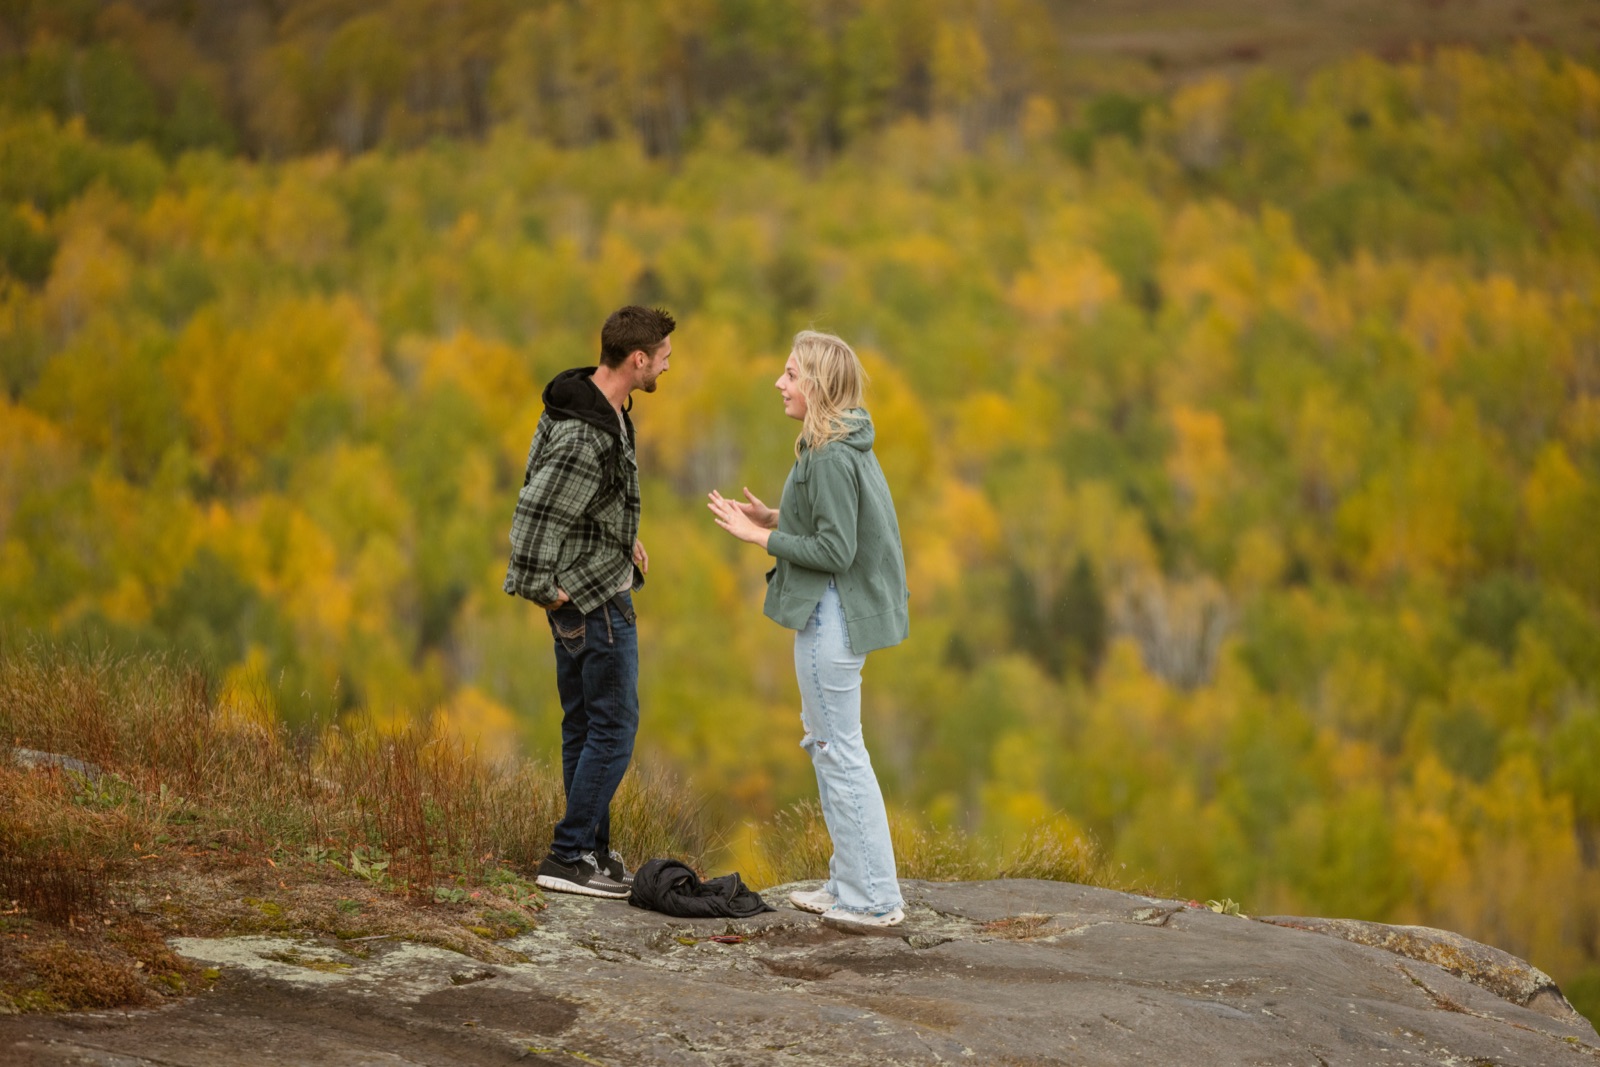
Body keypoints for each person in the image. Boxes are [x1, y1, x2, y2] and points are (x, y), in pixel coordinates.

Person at [707, 329, 910, 928]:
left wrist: (760, 537)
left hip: (831, 615)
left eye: (791, 373)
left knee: (840, 752)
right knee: (831, 750)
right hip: (834, 615)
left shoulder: (827, 454)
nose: (780, 383)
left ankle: (873, 898)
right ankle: (851, 885)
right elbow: (834, 522)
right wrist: (774, 515)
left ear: (817, 384)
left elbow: (836, 548)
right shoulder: (843, 444)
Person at [504, 305, 675, 899]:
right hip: (595, 601)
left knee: (584, 724)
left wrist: (622, 535)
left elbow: (585, 498)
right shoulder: (587, 433)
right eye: (663, 358)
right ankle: (568, 853)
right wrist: (540, 587)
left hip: (593, 583)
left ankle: (593, 853)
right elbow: (535, 511)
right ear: (638, 360)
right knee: (615, 727)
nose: (667, 366)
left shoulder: (597, 405)